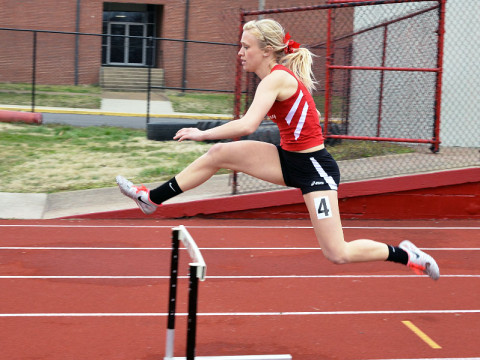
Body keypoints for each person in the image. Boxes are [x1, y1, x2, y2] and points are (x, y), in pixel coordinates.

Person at [116, 18, 439, 280]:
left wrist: (201, 133)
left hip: (315, 168)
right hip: (288, 158)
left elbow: (247, 126)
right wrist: (209, 140)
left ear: (267, 50)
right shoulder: (270, 78)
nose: (240, 52)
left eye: (246, 47)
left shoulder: (276, 79)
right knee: (219, 155)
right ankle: (150, 199)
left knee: (337, 253)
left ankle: (406, 254)